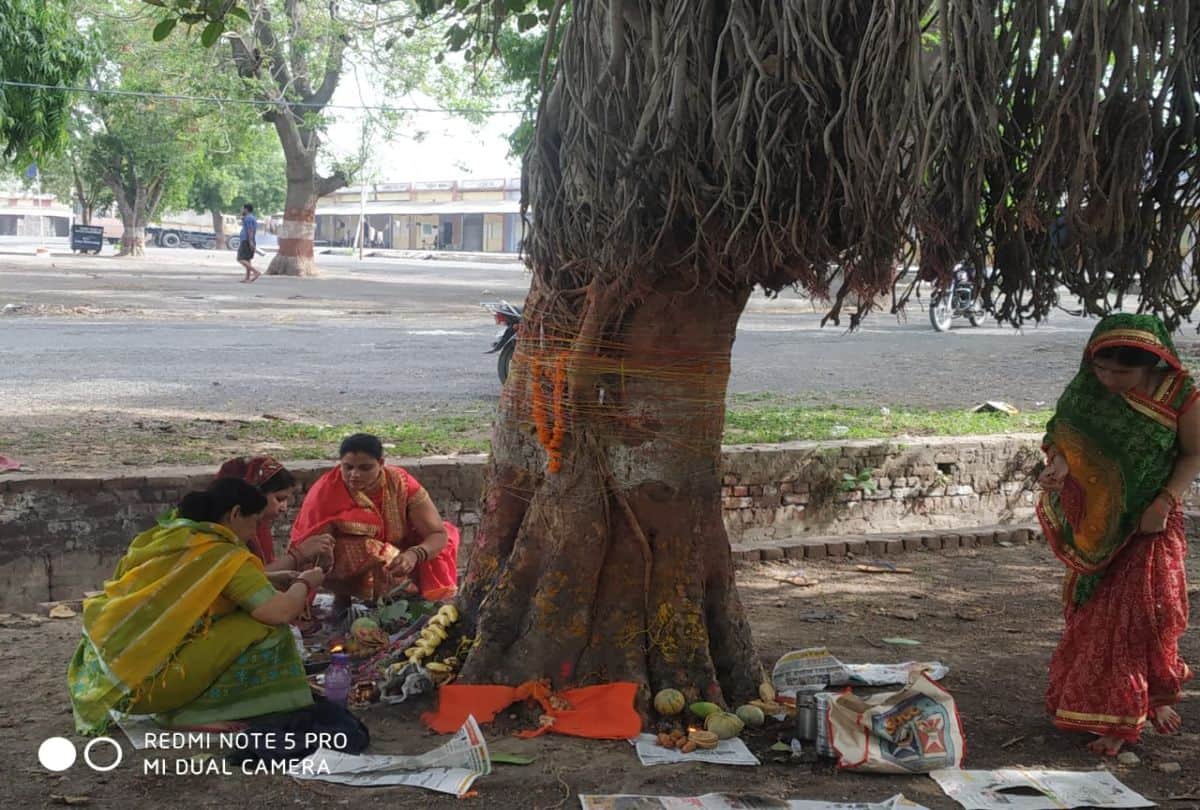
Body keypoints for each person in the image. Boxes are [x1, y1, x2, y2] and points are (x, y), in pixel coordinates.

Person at [1038, 313, 1198, 756]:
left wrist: (1163, 501)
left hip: (1150, 522)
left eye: (1122, 372)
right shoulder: (1087, 391)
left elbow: (1193, 454)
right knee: (1102, 617)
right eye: (1101, 369)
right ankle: (1119, 711)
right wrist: (1060, 467)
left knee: (1145, 615)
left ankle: (1139, 703)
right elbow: (1066, 439)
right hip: (1099, 523)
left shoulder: (1179, 395)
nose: (1109, 380)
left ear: (1154, 364)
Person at [67, 478, 323, 734]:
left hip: (108, 681)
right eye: (255, 522)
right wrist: (304, 582)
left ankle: (182, 705)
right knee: (264, 627)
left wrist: (273, 578)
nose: (255, 532)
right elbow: (279, 612)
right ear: (235, 514)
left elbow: (196, 584)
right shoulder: (222, 555)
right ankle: (189, 713)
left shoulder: (173, 535)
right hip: (147, 690)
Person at [290, 433, 460, 606]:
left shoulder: (401, 483)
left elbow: (437, 533)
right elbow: (307, 546)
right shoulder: (326, 491)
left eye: (365, 468)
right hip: (349, 559)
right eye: (348, 467)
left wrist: (414, 554)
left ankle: (421, 598)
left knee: (447, 536)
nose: (354, 474)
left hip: (402, 551)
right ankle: (344, 600)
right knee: (370, 549)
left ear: (381, 464)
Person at [215, 456, 334, 581]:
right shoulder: (220, 537)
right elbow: (245, 580)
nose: (284, 508)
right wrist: (299, 555)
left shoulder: (257, 527)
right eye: (279, 499)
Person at [237, 203, 260, 283]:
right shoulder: (249, 217)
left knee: (240, 259)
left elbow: (250, 230)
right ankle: (247, 277)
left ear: (246, 209)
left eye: (243, 209)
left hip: (246, 240)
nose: (241, 210)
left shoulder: (248, 218)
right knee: (247, 259)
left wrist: (250, 241)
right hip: (247, 240)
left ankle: (256, 272)